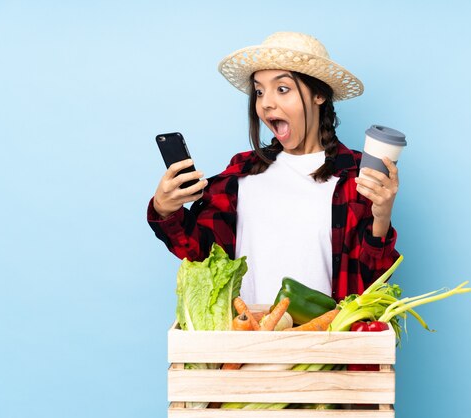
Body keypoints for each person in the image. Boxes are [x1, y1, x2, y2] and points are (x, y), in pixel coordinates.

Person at [148, 32, 401, 304]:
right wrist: (165, 209)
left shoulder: (356, 175)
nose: (266, 103)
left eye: (282, 89)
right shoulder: (241, 172)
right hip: (248, 338)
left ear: (318, 94)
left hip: (328, 340)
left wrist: (382, 217)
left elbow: (373, 280)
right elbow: (202, 256)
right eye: (259, 91)